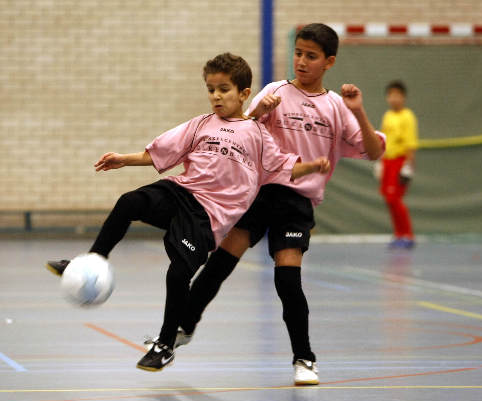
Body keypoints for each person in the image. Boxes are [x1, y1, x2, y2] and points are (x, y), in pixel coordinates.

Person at [46, 52, 330, 372]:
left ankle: (166, 344)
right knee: (128, 202)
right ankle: (93, 259)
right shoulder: (200, 124)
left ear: (244, 94)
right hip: (181, 191)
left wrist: (311, 168)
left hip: (207, 216)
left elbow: (284, 167)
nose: (216, 96)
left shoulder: (257, 135)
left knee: (179, 272)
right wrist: (124, 158)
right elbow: (160, 151)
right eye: (211, 89)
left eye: (224, 89)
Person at [174, 24, 386, 386]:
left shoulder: (336, 107)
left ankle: (304, 358)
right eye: (298, 53)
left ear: (329, 62)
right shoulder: (275, 92)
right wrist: (258, 109)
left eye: (311, 56)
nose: (301, 61)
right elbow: (241, 128)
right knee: (219, 264)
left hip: (296, 201)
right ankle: (183, 326)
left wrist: (359, 111)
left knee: (288, 279)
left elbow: (375, 150)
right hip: (259, 192)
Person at [377, 80, 418, 249]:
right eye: (391, 95)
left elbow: (410, 143)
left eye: (397, 95)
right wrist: (380, 161)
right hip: (387, 161)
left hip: (400, 162)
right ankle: (398, 234)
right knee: (388, 199)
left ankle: (408, 235)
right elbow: (382, 140)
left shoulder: (407, 116)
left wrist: (408, 166)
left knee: (396, 198)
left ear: (403, 97)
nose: (394, 99)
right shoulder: (387, 116)